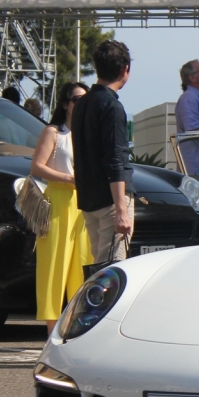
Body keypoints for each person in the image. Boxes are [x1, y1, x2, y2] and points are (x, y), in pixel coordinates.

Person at [30, 82, 92, 334]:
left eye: (84, 101)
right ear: (66, 103)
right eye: (76, 100)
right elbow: (37, 167)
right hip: (58, 202)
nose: (80, 105)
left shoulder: (89, 133)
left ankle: (77, 328)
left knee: (83, 264)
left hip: (85, 205)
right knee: (54, 265)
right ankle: (52, 331)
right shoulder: (54, 133)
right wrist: (69, 179)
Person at [71, 40, 134, 265]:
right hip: (110, 200)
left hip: (88, 197)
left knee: (99, 262)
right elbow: (115, 158)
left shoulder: (81, 104)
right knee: (112, 267)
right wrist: (121, 210)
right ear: (124, 69)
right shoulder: (112, 107)